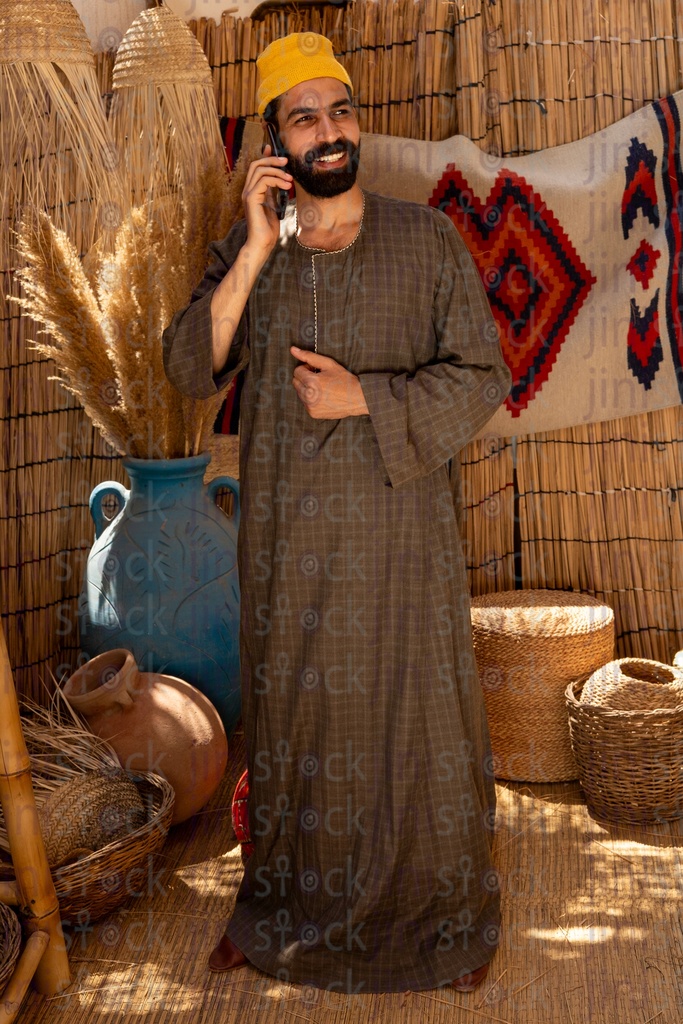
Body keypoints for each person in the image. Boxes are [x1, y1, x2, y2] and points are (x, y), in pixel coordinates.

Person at [162, 31, 512, 996]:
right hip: (289, 550)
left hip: (402, 540)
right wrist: (252, 244)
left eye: (340, 111)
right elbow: (190, 365)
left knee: (416, 722)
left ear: (357, 124)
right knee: (296, 724)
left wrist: (368, 398)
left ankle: (444, 923)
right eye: (303, 117)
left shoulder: (425, 238)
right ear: (275, 143)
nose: (328, 131)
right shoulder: (255, 250)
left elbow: (483, 374)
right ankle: (281, 907)